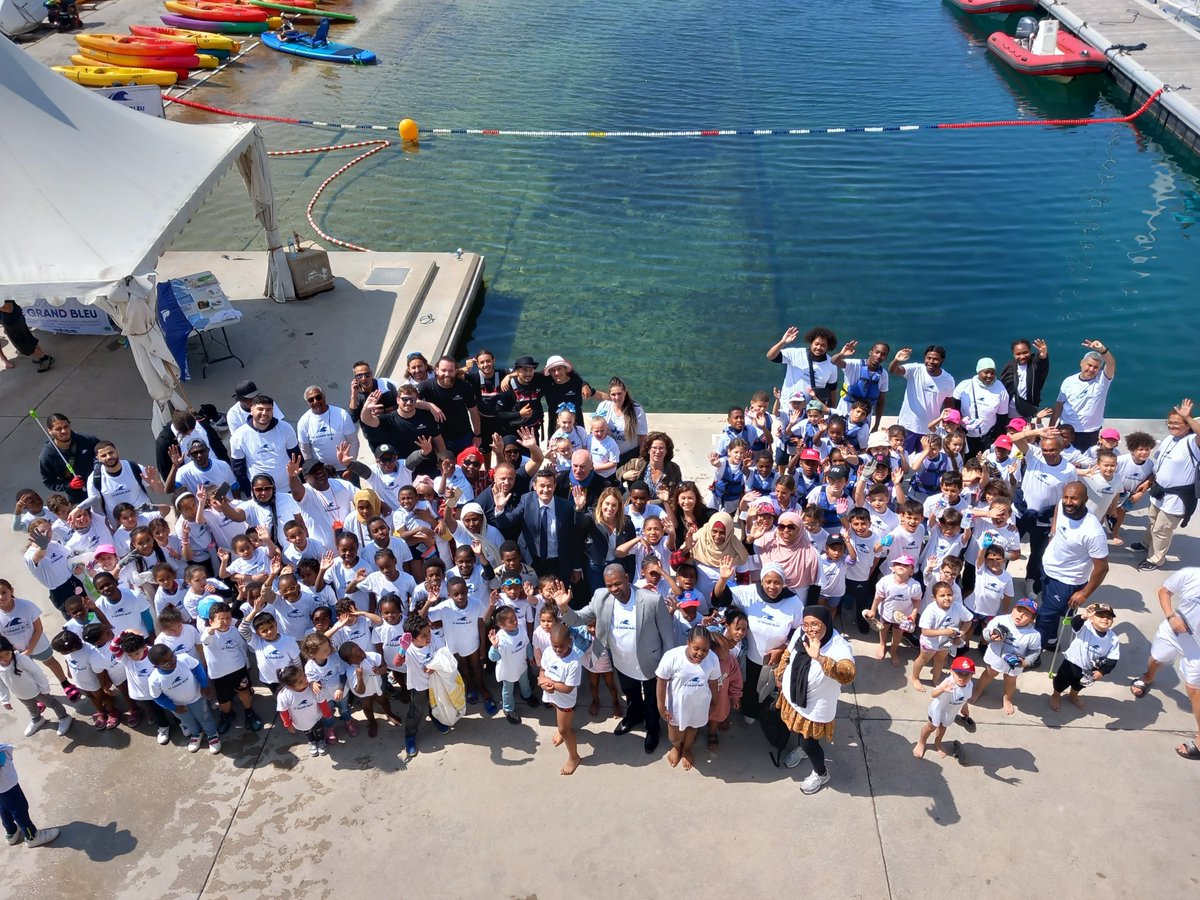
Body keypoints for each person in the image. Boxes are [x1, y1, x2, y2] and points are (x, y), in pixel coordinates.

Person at [553, 564, 679, 753]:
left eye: (618, 584)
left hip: (651, 663)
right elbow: (578, 619)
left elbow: (668, 637)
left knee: (652, 702)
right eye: (609, 585)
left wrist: (667, 668)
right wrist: (564, 607)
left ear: (627, 578)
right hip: (621, 661)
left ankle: (653, 730)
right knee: (631, 694)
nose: (614, 589)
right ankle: (633, 717)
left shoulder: (652, 600)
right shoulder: (601, 597)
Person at [775, 605, 856, 793]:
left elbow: (848, 674)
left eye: (815, 624)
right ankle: (802, 749)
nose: (809, 629)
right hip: (794, 697)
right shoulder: (801, 634)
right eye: (806, 624)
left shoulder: (838, 646)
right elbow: (788, 655)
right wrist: (779, 676)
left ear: (826, 623)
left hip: (814, 707)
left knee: (809, 743)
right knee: (800, 734)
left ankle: (821, 774)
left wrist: (819, 657)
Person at [1129, 568, 1200, 760]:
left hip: (1198, 649)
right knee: (1157, 659)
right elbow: (1164, 591)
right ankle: (1147, 677)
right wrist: (1171, 616)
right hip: (1174, 632)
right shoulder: (1190, 574)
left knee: (1194, 690)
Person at [1037, 483, 1109, 656]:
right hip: (1048, 569)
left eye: (1074, 498)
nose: (1068, 502)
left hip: (1066, 581)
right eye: (1066, 497)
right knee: (1049, 610)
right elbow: (1058, 509)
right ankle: (1051, 641)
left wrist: (1084, 593)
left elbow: (1102, 568)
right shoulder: (1063, 506)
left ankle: (1034, 653)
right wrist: (1053, 532)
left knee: (1045, 616)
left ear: (1085, 499)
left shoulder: (1093, 532)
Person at [1012, 429, 1078, 594]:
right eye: (1045, 450)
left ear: (1061, 448)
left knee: (1038, 555)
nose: (1048, 453)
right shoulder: (1034, 455)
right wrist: (1037, 431)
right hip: (1020, 514)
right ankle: (996, 576)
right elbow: (1013, 438)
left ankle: (1031, 582)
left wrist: (1055, 525)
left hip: (1043, 521)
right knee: (1006, 548)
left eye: (1052, 450)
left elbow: (1066, 499)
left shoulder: (1069, 470)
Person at [492, 468, 582, 586]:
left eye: (549, 486)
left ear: (555, 486)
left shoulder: (566, 507)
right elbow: (506, 522)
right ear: (535, 486)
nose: (545, 490)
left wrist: (576, 567)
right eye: (542, 486)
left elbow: (576, 537)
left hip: (558, 562)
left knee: (556, 597)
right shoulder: (527, 500)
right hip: (532, 560)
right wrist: (499, 508)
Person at [1139, 398, 1200, 572]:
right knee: (1152, 521)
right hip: (1159, 491)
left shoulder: (1192, 443)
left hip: (1176, 497)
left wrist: (1188, 417)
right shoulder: (1168, 440)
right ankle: (1146, 544)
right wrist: (1149, 482)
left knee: (1162, 529)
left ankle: (1157, 559)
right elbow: (1159, 464)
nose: (1172, 426)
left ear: (1187, 425)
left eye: (1178, 423)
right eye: (1170, 423)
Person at [655, 625, 719, 770]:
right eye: (696, 648)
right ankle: (677, 747)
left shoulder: (713, 659)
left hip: (699, 705)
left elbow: (713, 681)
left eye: (705, 650)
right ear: (688, 643)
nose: (700, 653)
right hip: (676, 706)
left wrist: (715, 702)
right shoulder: (672, 656)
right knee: (675, 736)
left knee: (692, 728)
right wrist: (660, 706)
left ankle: (686, 749)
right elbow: (661, 681)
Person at [974, 597, 1042, 715]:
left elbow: (1035, 651)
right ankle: (978, 690)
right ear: (1013, 609)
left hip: (1015, 663)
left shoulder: (1033, 635)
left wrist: (1026, 662)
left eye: (1026, 614)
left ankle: (1007, 698)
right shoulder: (1000, 619)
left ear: (1032, 620)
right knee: (989, 674)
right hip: (996, 657)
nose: (1020, 615)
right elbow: (986, 630)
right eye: (1019, 610)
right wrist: (990, 637)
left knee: (1010, 680)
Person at [148, 645, 221, 754]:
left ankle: (212, 734)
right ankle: (196, 733)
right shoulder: (154, 680)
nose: (172, 661)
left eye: (172, 656)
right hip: (179, 707)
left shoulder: (184, 659)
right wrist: (173, 707)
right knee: (188, 721)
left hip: (197, 698)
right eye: (166, 662)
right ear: (156, 666)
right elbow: (158, 697)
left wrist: (204, 685)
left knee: (205, 717)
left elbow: (197, 668)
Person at [1048, 602, 1119, 712]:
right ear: (1091, 618)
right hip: (1071, 663)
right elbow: (1075, 623)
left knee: (1080, 684)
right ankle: (1056, 694)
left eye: (1109, 617)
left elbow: (1113, 659)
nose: (1105, 619)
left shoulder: (1113, 638)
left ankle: (1073, 695)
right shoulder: (1085, 627)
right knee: (1061, 681)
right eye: (1100, 616)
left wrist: (1102, 671)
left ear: (1112, 621)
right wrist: (1083, 617)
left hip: (1089, 668)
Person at [0, 636, 72, 737]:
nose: (5, 659)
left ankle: (64, 717)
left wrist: (44, 688)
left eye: (7, 654)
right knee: (31, 708)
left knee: (52, 704)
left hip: (38, 691)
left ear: (11, 649)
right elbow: (1, 685)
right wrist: (5, 700)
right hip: (21, 695)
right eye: (0, 657)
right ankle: (37, 719)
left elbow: (37, 673)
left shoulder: (21, 659)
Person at [1050, 340, 1116, 450]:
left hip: (1089, 432)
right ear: (1081, 363)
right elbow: (1059, 406)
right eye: (1089, 365)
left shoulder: (1102, 380)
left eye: (1096, 367)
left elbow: (1111, 363)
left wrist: (1102, 350)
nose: (1091, 369)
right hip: (1065, 429)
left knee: (1085, 462)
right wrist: (1051, 427)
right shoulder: (1068, 381)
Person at [889, 345, 955, 452]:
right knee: (903, 457)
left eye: (935, 359)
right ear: (925, 358)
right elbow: (893, 370)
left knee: (924, 462)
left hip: (930, 429)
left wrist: (951, 424)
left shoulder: (948, 380)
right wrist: (897, 360)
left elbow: (949, 404)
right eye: (928, 358)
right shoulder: (915, 369)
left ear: (942, 360)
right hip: (907, 426)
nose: (931, 361)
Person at [538, 623, 584, 775]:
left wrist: (548, 684)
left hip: (565, 700)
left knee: (565, 730)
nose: (557, 650)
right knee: (555, 709)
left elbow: (568, 688)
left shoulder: (574, 662)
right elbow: (543, 670)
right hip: (552, 694)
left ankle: (574, 757)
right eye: (554, 646)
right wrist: (542, 680)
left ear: (570, 641)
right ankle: (561, 728)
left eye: (562, 646)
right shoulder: (548, 652)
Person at [230, 394, 300, 493]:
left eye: (268, 409)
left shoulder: (285, 428)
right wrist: (249, 492)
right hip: (261, 493)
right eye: (260, 409)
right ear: (251, 410)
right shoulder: (239, 436)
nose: (264, 413)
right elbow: (238, 469)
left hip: (288, 488)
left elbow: (296, 457)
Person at [358, 383, 445, 461]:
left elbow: (437, 440)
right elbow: (366, 420)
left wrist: (443, 459)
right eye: (405, 399)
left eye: (412, 399)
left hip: (429, 466)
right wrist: (366, 408)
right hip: (403, 469)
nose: (408, 403)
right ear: (397, 400)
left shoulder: (426, 416)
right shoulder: (388, 419)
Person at [913, 655, 975, 761]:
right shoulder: (948, 682)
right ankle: (921, 742)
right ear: (951, 671)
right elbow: (933, 694)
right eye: (959, 673)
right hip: (938, 710)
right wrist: (942, 689)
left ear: (971, 675)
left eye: (967, 675)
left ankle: (938, 743)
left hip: (950, 712)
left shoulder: (969, 685)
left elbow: (965, 697)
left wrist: (965, 707)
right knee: (930, 727)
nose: (962, 678)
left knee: (943, 728)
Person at [0, 741, 60, 848]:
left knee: (4, 807)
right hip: (5, 783)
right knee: (19, 809)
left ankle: (11, 832)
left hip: (3, 784)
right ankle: (32, 836)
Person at [418, 355, 481, 453]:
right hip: (439, 438)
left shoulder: (464, 387)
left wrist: (477, 435)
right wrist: (430, 406)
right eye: (443, 370)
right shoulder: (426, 386)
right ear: (436, 370)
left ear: (455, 371)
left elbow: (473, 411)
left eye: (450, 371)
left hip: (463, 436)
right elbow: (411, 401)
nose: (447, 374)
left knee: (467, 466)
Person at [766, 326, 840, 406]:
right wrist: (783, 342)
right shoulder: (795, 354)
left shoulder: (831, 364)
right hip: (788, 407)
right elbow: (770, 356)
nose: (819, 347)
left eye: (823, 345)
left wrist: (832, 411)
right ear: (811, 342)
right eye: (816, 344)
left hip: (813, 413)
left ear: (828, 347)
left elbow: (832, 389)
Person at [38, 413, 101, 504]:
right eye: (58, 429)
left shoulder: (88, 440)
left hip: (101, 487)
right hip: (78, 497)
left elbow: (105, 454)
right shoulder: (47, 455)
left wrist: (98, 470)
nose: (64, 431)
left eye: (66, 426)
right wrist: (69, 485)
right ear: (50, 431)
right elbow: (49, 482)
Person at [954, 358, 1011, 455]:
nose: (990, 376)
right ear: (978, 371)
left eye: (992, 373)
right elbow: (955, 409)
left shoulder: (1000, 389)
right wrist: (960, 424)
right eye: (986, 372)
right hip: (966, 435)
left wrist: (995, 437)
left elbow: (1002, 418)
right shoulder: (964, 386)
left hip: (987, 437)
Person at [832, 339, 890, 431]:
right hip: (845, 410)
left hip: (865, 416)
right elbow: (834, 361)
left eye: (883, 354)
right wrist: (842, 354)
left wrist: (876, 424)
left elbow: (881, 401)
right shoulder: (853, 365)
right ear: (871, 352)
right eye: (877, 352)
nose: (879, 356)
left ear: (885, 357)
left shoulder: (883, 374)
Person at [462, 349, 508, 462]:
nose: (485, 364)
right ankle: (487, 472)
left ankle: (502, 469)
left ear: (494, 361)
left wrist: (509, 377)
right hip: (483, 421)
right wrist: (465, 368)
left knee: (504, 448)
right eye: (482, 362)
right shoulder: (473, 377)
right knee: (485, 449)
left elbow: (520, 371)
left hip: (502, 420)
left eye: (488, 361)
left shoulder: (503, 374)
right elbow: (453, 376)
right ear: (477, 364)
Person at [296, 385, 358, 466]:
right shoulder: (303, 422)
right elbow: (305, 450)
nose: (315, 401)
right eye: (311, 400)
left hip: (345, 468)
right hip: (322, 472)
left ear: (324, 396)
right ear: (308, 403)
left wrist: (350, 466)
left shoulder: (342, 414)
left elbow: (353, 442)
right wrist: (314, 470)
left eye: (318, 397)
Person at [594, 377, 648, 463]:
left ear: (625, 392)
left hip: (629, 456)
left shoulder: (637, 410)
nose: (617, 397)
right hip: (608, 454)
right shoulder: (603, 406)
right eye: (613, 394)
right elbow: (595, 428)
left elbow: (643, 437)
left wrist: (641, 457)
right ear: (609, 394)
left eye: (619, 393)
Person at [999, 338, 1050, 421]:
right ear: (1013, 355)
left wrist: (1043, 354)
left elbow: (1041, 364)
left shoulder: (1034, 365)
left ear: (1030, 351)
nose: (1022, 356)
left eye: (1025, 352)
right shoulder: (1009, 367)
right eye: (1018, 354)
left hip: (1028, 412)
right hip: (1008, 413)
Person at [0, 299, 54, 372]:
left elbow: (9, 308)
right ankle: (43, 357)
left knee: (23, 346)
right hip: (15, 318)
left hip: (12, 321)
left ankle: (45, 358)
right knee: (29, 340)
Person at [347, 361, 397, 425]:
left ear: (371, 374)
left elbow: (400, 406)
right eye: (359, 376)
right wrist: (354, 395)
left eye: (367, 374)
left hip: (392, 426)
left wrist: (383, 411)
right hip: (373, 433)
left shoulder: (385, 385)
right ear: (355, 378)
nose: (364, 378)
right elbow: (352, 419)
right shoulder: (356, 395)